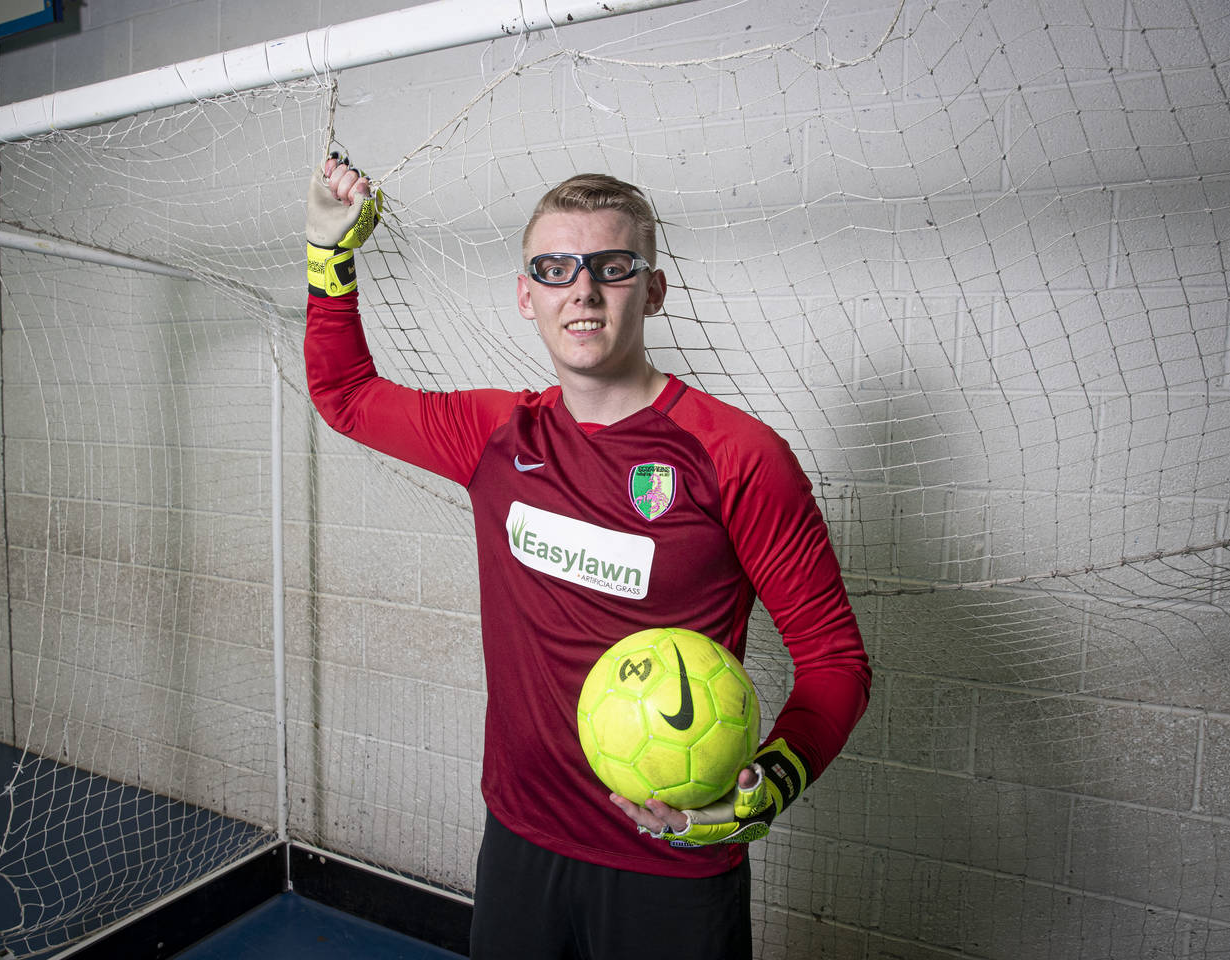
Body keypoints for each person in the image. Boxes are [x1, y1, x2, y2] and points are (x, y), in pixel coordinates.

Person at [304, 154, 871, 959]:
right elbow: (347, 397)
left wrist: (774, 780)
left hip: (672, 863)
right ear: (526, 294)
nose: (583, 288)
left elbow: (835, 660)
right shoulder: (496, 435)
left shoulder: (738, 456)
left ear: (653, 290)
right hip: (521, 838)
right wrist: (329, 258)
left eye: (611, 266)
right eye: (555, 268)